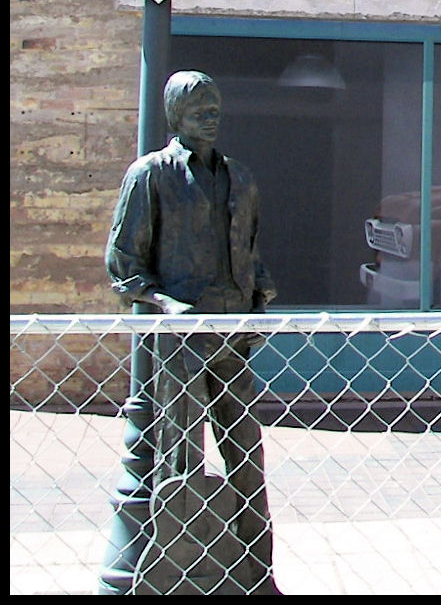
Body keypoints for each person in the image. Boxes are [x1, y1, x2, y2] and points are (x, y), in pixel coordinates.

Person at [106, 70, 280, 595]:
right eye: (199, 108)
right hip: (182, 340)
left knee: (247, 456)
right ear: (174, 114)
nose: (211, 116)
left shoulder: (241, 177)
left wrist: (260, 297)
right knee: (180, 459)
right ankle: (180, 573)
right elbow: (124, 262)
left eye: (215, 107)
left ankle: (258, 574)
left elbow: (250, 250)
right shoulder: (150, 175)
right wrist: (166, 305)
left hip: (234, 333)